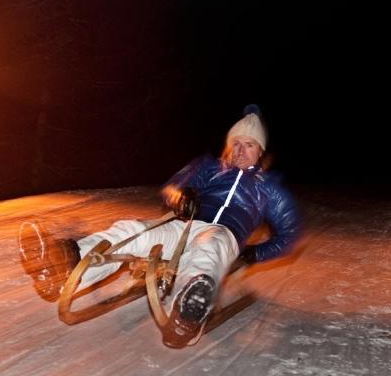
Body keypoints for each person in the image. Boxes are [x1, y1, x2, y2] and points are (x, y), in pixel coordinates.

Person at [18, 105, 302, 347]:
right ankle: (63, 267)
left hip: (223, 234)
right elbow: (173, 186)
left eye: (249, 145)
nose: (240, 150)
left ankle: (187, 311)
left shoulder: (269, 189)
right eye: (235, 144)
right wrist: (181, 195)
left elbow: (289, 235)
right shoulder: (210, 167)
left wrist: (254, 253)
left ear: (260, 150)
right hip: (183, 225)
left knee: (209, 248)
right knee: (132, 230)